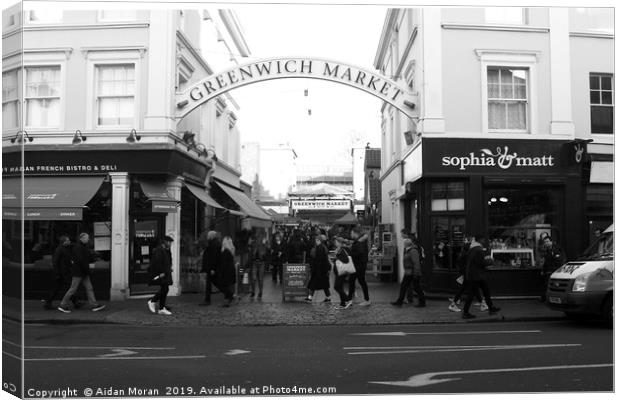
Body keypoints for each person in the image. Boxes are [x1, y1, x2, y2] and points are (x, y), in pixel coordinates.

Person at [58, 233, 106, 313]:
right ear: (82, 238)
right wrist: (88, 270)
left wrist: (93, 259)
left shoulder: (82, 246)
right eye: (87, 238)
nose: (88, 239)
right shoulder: (78, 247)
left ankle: (94, 305)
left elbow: (86, 258)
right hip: (78, 272)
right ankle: (62, 305)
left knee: (89, 288)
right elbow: (81, 261)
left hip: (83, 272)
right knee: (73, 289)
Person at [461, 234, 500, 319]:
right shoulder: (479, 250)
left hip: (474, 275)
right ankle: (465, 312)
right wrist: (490, 261)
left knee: (485, 291)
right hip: (476, 276)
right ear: (480, 240)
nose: (484, 241)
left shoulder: (473, 249)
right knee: (472, 294)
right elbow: (481, 263)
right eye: (483, 239)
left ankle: (491, 308)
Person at [43, 236, 81, 310]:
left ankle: (48, 303)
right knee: (69, 287)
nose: (69, 241)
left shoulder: (65, 249)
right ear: (64, 242)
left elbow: (66, 260)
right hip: (62, 273)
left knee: (61, 288)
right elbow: (55, 262)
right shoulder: (59, 249)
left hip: (64, 272)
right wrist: (57, 273)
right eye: (68, 240)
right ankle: (75, 302)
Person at [448, 240, 487, 313]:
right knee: (470, 289)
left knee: (471, 288)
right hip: (468, 274)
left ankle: (482, 303)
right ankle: (453, 305)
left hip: (467, 274)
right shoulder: (467, 255)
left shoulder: (464, 254)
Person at [391, 238, 425, 307]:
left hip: (412, 272)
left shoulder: (413, 251)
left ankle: (422, 302)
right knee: (404, 286)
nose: (403, 244)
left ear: (406, 244)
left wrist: (416, 274)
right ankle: (400, 301)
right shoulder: (408, 250)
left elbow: (416, 263)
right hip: (408, 272)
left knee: (416, 287)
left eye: (404, 243)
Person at [147, 236, 174, 315]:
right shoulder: (159, 250)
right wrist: (161, 272)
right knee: (165, 289)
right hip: (162, 273)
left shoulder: (166, 250)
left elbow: (167, 261)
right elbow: (157, 262)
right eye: (169, 242)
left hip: (166, 272)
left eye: (170, 242)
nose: (170, 244)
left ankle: (161, 308)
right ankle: (152, 301)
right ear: (164, 242)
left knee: (165, 289)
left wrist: (169, 268)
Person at [347, 227, 370, 306]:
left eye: (351, 233)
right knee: (352, 281)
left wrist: (350, 254)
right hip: (358, 265)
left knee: (361, 282)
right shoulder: (359, 241)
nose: (351, 234)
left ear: (355, 233)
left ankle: (367, 300)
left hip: (358, 266)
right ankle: (349, 299)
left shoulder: (359, 242)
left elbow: (359, 253)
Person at [306, 234, 332, 303]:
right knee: (324, 285)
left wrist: (315, 269)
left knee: (313, 284)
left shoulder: (320, 248)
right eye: (316, 240)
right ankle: (328, 298)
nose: (316, 241)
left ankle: (310, 298)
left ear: (319, 240)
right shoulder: (323, 247)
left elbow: (319, 260)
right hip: (322, 270)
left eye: (317, 240)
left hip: (319, 270)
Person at [540, 236, 566, 302]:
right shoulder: (547, 250)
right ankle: (546, 299)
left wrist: (554, 271)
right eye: (545, 242)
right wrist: (543, 270)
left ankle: (553, 299)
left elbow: (560, 261)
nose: (546, 243)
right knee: (547, 285)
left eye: (547, 241)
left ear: (551, 241)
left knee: (554, 286)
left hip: (555, 272)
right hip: (549, 271)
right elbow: (546, 262)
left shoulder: (556, 249)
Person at [200, 231, 221, 306]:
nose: (207, 237)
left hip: (212, 268)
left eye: (208, 235)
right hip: (211, 267)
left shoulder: (214, 244)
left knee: (214, 283)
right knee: (214, 283)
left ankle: (229, 294)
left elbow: (214, 257)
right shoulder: (213, 243)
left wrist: (213, 268)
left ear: (211, 236)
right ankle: (207, 299)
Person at [332, 237, 353, 309]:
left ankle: (348, 300)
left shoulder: (342, 250)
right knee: (340, 287)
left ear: (339, 243)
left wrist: (336, 258)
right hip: (340, 272)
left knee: (336, 287)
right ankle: (342, 303)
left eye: (336, 242)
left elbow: (345, 260)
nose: (335, 243)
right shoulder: (340, 250)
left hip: (341, 272)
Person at [219, 236, 237, 307]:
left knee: (224, 286)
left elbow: (223, 263)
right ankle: (228, 300)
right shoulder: (232, 249)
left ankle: (230, 297)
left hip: (226, 271)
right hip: (231, 270)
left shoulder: (225, 252)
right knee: (229, 286)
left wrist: (221, 272)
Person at [249, 230, 268, 299]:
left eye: (259, 236)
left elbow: (265, 252)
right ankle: (253, 292)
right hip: (254, 263)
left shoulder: (264, 244)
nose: (258, 237)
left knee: (260, 279)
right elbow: (251, 253)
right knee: (253, 278)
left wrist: (264, 245)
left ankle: (260, 292)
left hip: (261, 263)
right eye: (257, 236)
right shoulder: (253, 244)